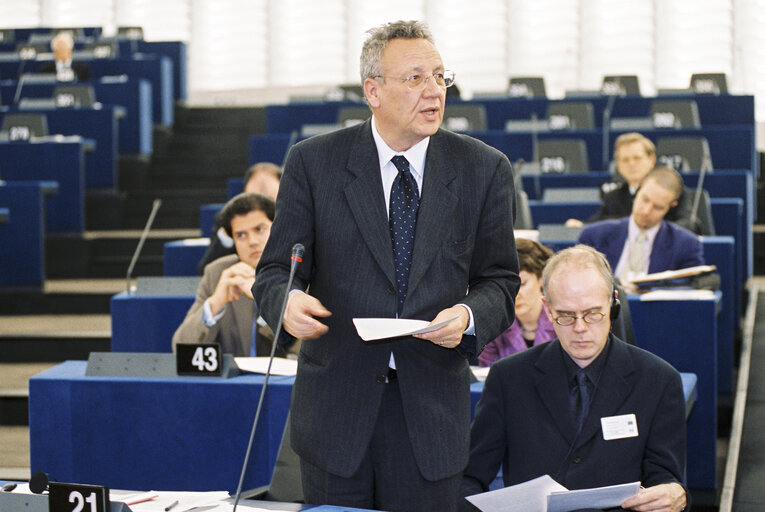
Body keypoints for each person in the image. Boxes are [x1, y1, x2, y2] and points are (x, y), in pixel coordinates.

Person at [253, 20, 519, 512]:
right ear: (372, 90)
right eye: (416, 78)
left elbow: (500, 281)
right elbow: (273, 272)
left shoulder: (484, 169)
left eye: (441, 77)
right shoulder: (314, 163)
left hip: (430, 415)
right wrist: (286, 302)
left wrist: (467, 317)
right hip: (337, 411)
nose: (434, 91)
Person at [462, 245, 687, 512]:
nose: (580, 328)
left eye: (593, 313)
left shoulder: (658, 381)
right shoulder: (508, 379)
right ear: (547, 308)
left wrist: (674, 496)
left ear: (613, 303)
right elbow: (469, 478)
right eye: (566, 316)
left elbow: (665, 481)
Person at [173, 192, 299, 358]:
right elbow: (181, 348)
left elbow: (306, 350)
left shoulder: (300, 271)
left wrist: (266, 299)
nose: (252, 241)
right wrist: (215, 303)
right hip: (235, 382)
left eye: (259, 229)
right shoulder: (218, 273)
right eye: (241, 235)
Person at [578, 166, 704, 286]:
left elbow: (693, 286)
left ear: (672, 206)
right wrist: (618, 284)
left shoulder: (686, 244)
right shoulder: (594, 237)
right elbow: (580, 280)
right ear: (639, 188)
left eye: (658, 207)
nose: (646, 211)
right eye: (645, 199)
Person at [565, 132, 700, 233]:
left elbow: (690, 224)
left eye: (637, 158)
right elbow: (597, 223)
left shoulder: (671, 191)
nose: (632, 164)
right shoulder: (613, 197)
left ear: (651, 159)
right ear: (617, 165)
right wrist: (579, 226)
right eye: (625, 160)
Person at [477, 238, 555, 366]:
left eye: (522, 284)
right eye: (509, 286)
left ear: (541, 278)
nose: (515, 295)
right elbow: (486, 377)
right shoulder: (495, 325)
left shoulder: (561, 319)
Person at [197, 162, 282, 274]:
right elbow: (207, 272)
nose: (253, 241)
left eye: (270, 200)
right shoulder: (229, 221)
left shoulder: (299, 218)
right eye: (254, 199)